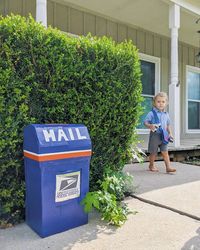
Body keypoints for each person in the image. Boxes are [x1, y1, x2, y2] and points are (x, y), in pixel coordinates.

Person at [144, 92, 176, 173]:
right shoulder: (151, 113)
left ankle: (168, 167)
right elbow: (145, 122)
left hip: (164, 135)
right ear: (154, 102)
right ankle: (151, 165)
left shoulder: (166, 114)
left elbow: (168, 125)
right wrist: (150, 126)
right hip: (155, 135)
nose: (161, 104)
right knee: (153, 152)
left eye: (163, 102)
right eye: (158, 102)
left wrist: (170, 133)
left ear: (166, 103)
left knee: (165, 152)